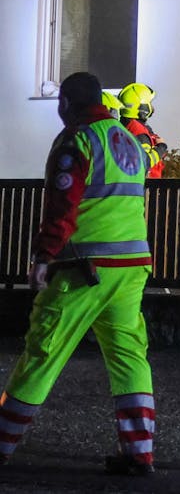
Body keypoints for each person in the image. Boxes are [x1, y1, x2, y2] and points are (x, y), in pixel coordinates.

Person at [0, 72, 156, 475]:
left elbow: (63, 202)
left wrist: (43, 255)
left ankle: (1, 443)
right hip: (131, 265)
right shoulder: (130, 141)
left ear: (65, 102)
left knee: (43, 350)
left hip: (83, 267)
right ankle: (139, 453)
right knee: (128, 356)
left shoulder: (78, 140)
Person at [118, 83, 167, 178]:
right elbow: (144, 164)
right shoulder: (138, 132)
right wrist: (161, 148)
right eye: (150, 103)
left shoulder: (125, 126)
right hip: (147, 188)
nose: (152, 107)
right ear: (142, 107)